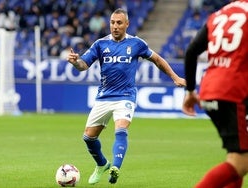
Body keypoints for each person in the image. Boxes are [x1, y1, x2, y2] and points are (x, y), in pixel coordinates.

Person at [67, 8, 186, 185]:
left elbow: (158, 60)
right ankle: (102, 164)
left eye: (119, 23)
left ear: (127, 24)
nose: (115, 26)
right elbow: (84, 65)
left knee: (121, 130)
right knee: (88, 138)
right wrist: (76, 61)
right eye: (113, 23)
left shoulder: (137, 44)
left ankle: (116, 166)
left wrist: (175, 77)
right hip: (104, 97)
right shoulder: (100, 44)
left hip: (126, 96)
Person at [182, 0, 248, 187]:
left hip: (210, 90)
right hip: (234, 93)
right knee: (241, 162)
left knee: (237, 155)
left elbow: (191, 51)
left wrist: (190, 91)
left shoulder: (219, 15)